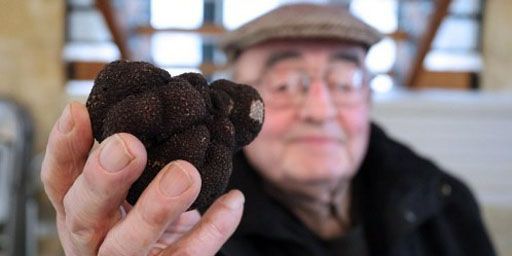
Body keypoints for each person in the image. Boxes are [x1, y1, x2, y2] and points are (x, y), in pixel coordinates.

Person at [41, 3, 496, 256]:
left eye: (344, 81)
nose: (320, 109)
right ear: (237, 110)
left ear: (369, 99)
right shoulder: (186, 230)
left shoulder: (448, 201)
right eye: (285, 83)